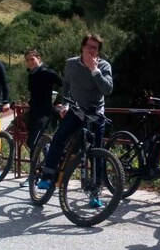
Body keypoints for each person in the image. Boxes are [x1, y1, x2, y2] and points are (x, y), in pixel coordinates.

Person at [36, 34, 113, 202]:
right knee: (59, 137)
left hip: (95, 114)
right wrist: (65, 104)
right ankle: (47, 176)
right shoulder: (71, 63)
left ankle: (95, 192)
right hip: (76, 110)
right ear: (82, 47)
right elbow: (67, 85)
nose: (92, 50)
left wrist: (95, 70)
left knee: (97, 153)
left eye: (95, 48)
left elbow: (107, 90)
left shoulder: (104, 66)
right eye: (89, 47)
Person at [20, 49, 62, 188]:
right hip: (33, 112)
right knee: (32, 143)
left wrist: (60, 102)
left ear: (39, 58)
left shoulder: (46, 72)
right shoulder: (31, 74)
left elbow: (63, 84)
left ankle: (37, 173)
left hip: (44, 113)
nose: (30, 62)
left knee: (33, 142)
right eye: (27, 60)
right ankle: (34, 175)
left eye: (32, 59)